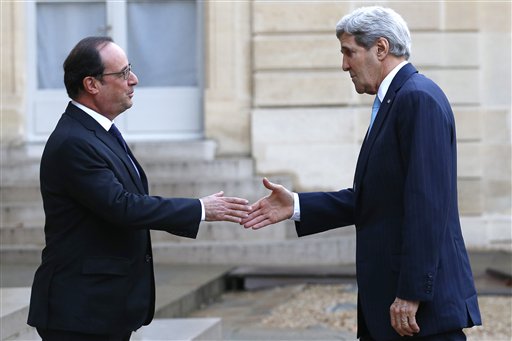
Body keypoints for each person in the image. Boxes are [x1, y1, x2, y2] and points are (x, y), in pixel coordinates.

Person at [242, 6, 481, 341]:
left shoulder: (417, 99)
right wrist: (295, 205)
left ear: (380, 49)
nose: (344, 65)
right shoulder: (395, 101)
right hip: (392, 307)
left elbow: (427, 205)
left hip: (418, 314)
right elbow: (376, 199)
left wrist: (411, 293)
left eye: (348, 52)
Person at [28, 36, 251, 341]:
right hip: (80, 312)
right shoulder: (74, 141)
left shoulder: (99, 131)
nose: (133, 79)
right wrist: (200, 209)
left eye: (129, 69)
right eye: (122, 74)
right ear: (92, 84)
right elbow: (123, 206)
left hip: (104, 308)